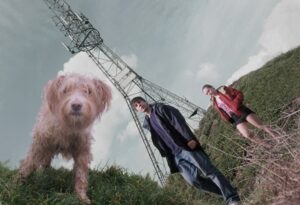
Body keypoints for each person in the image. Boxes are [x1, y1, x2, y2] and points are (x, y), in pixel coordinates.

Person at [131, 96, 240, 205]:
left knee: (209, 171)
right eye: (136, 105)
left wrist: (189, 138)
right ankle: (226, 192)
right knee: (193, 180)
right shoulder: (147, 123)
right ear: (137, 110)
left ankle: (232, 197)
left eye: (139, 102)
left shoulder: (160, 108)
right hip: (175, 156)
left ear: (145, 101)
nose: (139, 105)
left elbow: (178, 121)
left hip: (185, 147)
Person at [202, 84, 277, 146]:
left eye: (208, 90)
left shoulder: (223, 90)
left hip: (241, 111)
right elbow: (222, 111)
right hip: (234, 118)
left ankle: (278, 137)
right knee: (247, 134)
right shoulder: (213, 102)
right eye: (207, 93)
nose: (209, 93)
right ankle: (268, 145)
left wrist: (236, 105)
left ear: (212, 87)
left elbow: (239, 94)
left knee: (261, 126)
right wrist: (228, 119)